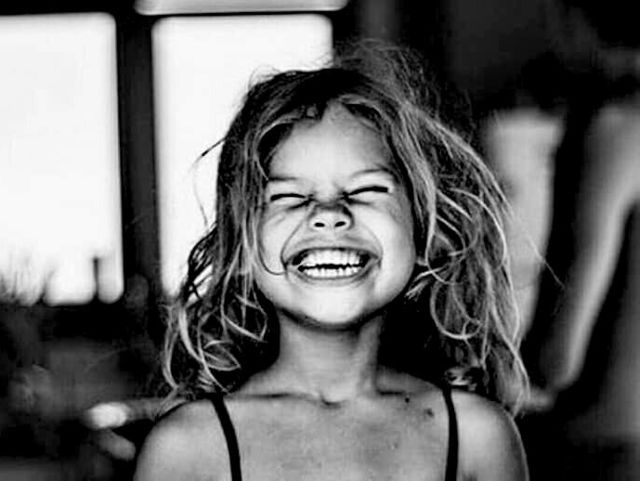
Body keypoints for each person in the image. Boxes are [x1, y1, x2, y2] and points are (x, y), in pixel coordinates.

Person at [134, 46, 529, 481]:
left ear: (423, 234)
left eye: (367, 190)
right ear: (242, 250)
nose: (328, 213)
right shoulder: (188, 448)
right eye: (288, 196)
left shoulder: (476, 437)